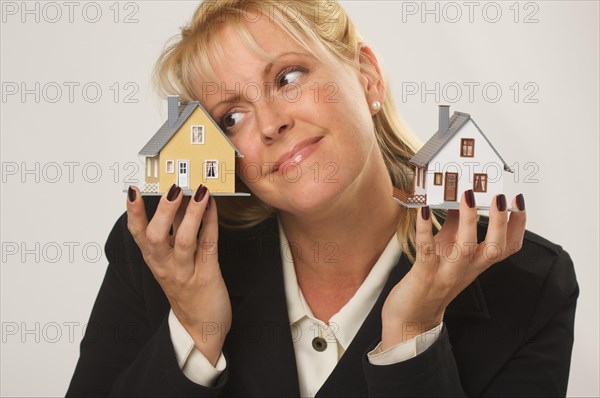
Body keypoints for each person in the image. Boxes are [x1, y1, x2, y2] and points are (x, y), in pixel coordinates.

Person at [66, 1, 578, 396]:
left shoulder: (528, 285)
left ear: (367, 75)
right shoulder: (163, 251)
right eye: (232, 116)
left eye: (288, 78)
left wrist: (412, 335)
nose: (270, 124)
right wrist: (196, 332)